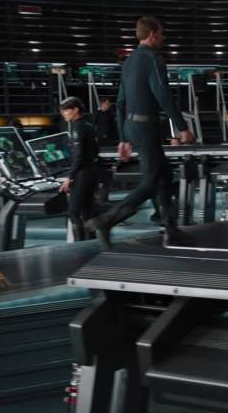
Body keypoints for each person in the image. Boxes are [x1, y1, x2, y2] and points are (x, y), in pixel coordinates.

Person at [86, 16, 194, 248]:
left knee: (164, 175)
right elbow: (162, 94)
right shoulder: (153, 58)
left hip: (132, 127)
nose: (163, 37)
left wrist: (123, 138)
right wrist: (182, 127)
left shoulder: (128, 61)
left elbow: (120, 103)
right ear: (153, 34)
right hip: (146, 127)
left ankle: (170, 228)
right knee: (151, 182)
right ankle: (106, 221)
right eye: (161, 33)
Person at [58, 97, 100, 241]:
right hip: (92, 171)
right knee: (88, 209)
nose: (63, 114)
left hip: (82, 173)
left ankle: (79, 243)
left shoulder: (78, 127)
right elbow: (95, 150)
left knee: (74, 211)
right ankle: (91, 242)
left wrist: (69, 177)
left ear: (75, 110)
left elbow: (78, 155)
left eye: (66, 110)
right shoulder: (88, 125)